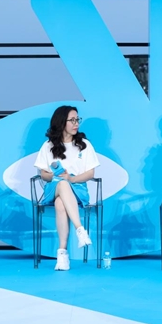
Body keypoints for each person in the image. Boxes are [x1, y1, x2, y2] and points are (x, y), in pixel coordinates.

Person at [34, 106, 99, 271]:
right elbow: (43, 175)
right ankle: (80, 229)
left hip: (78, 189)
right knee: (62, 184)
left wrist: (71, 178)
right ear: (62, 122)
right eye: (72, 120)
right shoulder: (48, 146)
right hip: (53, 187)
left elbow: (90, 173)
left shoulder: (84, 145)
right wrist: (54, 176)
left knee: (60, 204)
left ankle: (62, 254)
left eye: (77, 120)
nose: (76, 123)